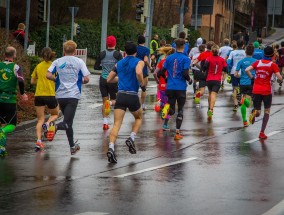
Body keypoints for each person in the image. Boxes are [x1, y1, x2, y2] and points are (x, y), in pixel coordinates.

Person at [46, 40, 90, 155]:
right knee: (66, 123)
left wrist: (55, 80)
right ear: (75, 51)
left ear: (64, 50)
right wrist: (81, 81)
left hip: (60, 95)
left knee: (68, 122)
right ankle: (53, 127)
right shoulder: (79, 62)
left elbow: (48, 74)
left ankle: (72, 146)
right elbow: (86, 78)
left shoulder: (57, 61)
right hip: (73, 95)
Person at [106, 41, 145, 163]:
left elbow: (109, 79)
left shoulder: (119, 63)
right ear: (136, 52)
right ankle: (132, 138)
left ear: (124, 52)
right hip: (132, 96)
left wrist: (121, 78)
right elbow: (138, 72)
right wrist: (141, 83)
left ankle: (111, 147)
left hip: (121, 95)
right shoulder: (139, 61)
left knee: (117, 124)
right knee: (138, 118)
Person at [157, 38, 192, 140]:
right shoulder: (186, 59)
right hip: (181, 87)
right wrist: (189, 80)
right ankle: (177, 133)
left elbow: (160, 73)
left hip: (170, 87)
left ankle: (166, 109)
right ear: (184, 47)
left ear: (175, 46)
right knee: (180, 109)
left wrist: (167, 79)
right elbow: (185, 73)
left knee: (172, 109)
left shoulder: (169, 58)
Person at [245, 46, 283, 139]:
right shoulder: (272, 65)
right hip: (266, 91)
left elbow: (247, 70)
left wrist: (252, 78)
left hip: (256, 89)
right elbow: (279, 77)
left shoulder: (258, 62)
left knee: (257, 111)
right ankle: (262, 132)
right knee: (267, 111)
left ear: (264, 54)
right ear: (272, 55)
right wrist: (281, 79)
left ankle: (254, 113)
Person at [0, 46, 28, 156]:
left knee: (2, 123)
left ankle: (1, 148)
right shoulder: (16, 67)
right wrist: (22, 93)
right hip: (9, 100)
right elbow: (20, 81)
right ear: (15, 56)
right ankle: (2, 133)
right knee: (11, 125)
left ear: (4, 55)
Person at [31, 47, 59, 150]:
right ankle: (47, 124)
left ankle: (38, 141)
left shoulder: (38, 66)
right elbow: (57, 79)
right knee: (55, 113)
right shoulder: (54, 66)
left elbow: (32, 81)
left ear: (41, 55)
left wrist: (39, 82)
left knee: (40, 119)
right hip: (50, 94)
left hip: (38, 95)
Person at [94, 36, 123, 130]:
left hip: (103, 79)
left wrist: (104, 66)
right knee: (115, 101)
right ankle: (115, 122)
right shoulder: (118, 54)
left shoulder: (102, 54)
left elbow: (96, 67)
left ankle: (105, 123)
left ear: (107, 43)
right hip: (113, 79)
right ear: (115, 43)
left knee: (104, 101)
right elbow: (121, 67)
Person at [203, 45, 228, 121]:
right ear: (218, 52)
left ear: (212, 51)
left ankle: (208, 108)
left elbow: (205, 66)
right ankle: (211, 109)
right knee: (214, 94)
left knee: (210, 93)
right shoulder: (222, 59)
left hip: (209, 79)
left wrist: (204, 70)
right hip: (217, 80)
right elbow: (226, 69)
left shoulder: (208, 58)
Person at [234, 44, 257, 127]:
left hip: (242, 83)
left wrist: (242, 76)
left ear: (245, 51)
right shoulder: (256, 61)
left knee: (243, 104)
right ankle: (244, 100)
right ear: (253, 52)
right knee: (249, 103)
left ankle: (244, 121)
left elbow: (236, 74)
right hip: (251, 83)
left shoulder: (241, 62)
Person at [153, 46, 175, 130]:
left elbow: (155, 73)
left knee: (163, 102)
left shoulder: (162, 62)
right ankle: (165, 125)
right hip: (171, 86)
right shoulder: (174, 63)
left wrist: (158, 81)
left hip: (161, 86)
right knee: (169, 105)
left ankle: (160, 104)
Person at [227, 40, 246, 111]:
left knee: (235, 88)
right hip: (243, 72)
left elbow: (228, 62)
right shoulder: (245, 52)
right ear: (243, 45)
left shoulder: (232, 52)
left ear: (237, 45)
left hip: (234, 71)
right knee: (243, 87)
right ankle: (241, 100)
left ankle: (235, 104)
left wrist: (228, 70)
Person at [136, 35, 151, 111]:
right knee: (144, 88)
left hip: (135, 69)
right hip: (143, 70)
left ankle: (133, 104)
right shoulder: (146, 49)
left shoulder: (134, 48)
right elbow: (145, 60)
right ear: (144, 41)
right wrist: (150, 67)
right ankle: (142, 105)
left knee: (134, 88)